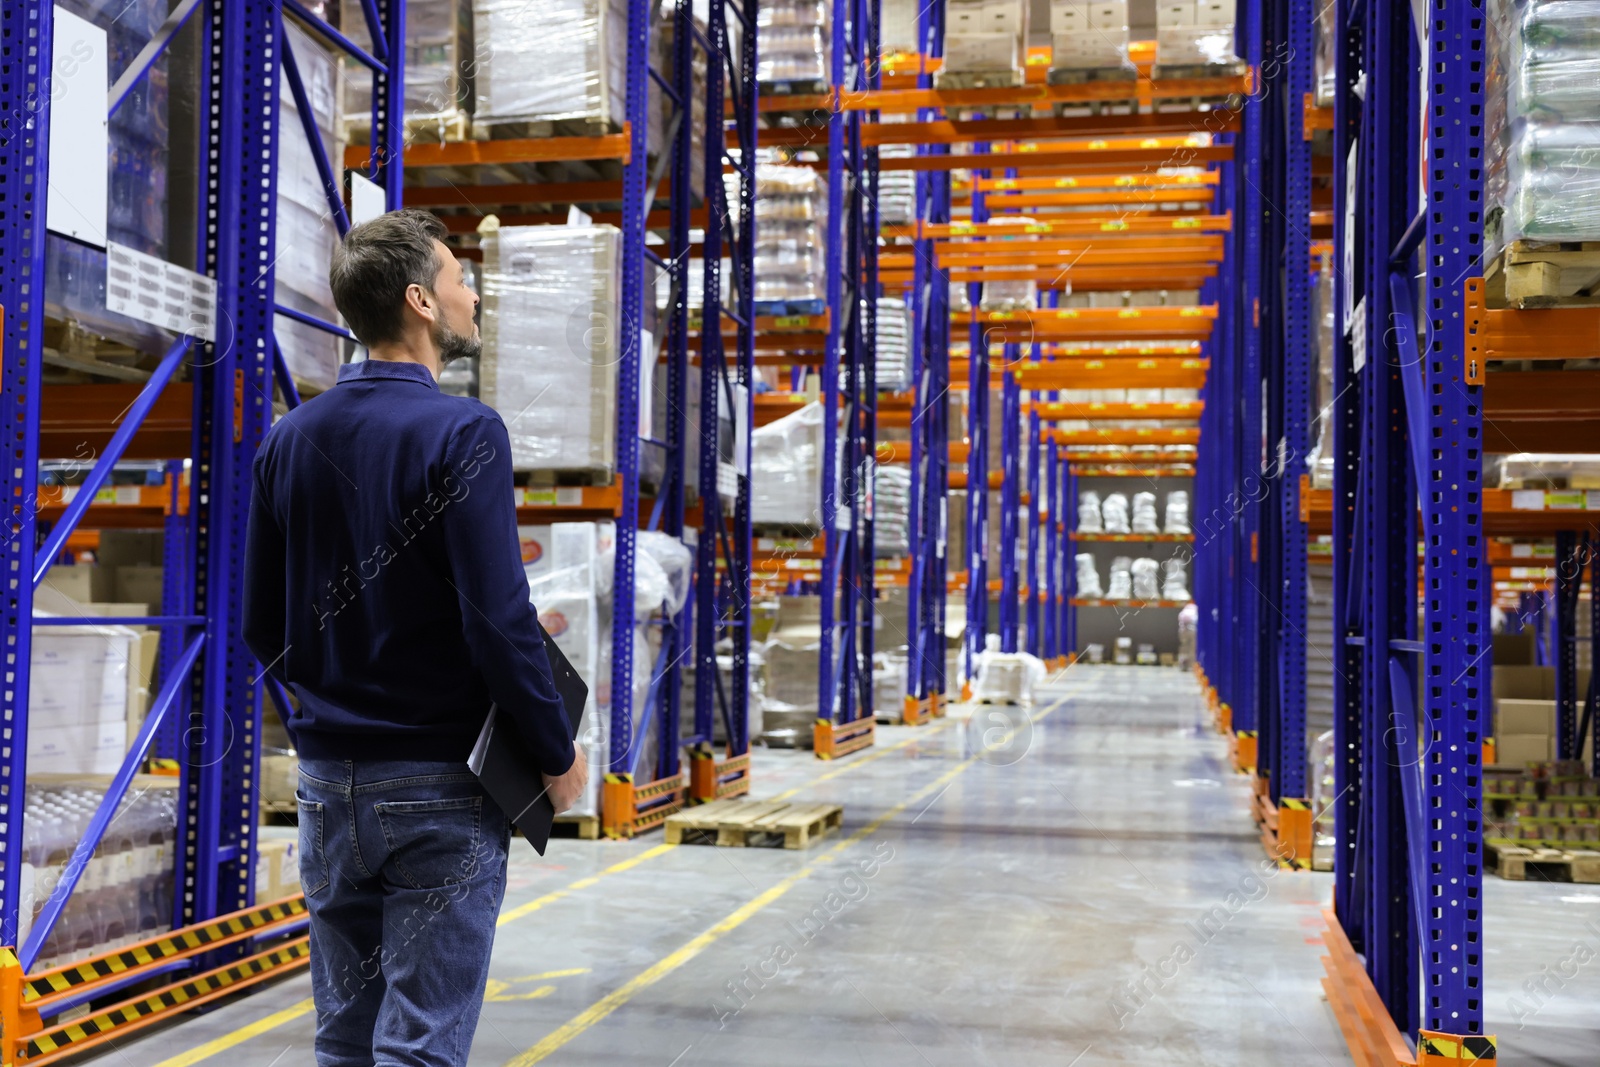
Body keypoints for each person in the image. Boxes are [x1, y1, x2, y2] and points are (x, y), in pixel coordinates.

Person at [243, 208, 588, 1067]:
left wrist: (333, 705)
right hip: (440, 786)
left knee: (345, 1040)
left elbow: (260, 624)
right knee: (422, 1045)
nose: (472, 294)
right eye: (459, 278)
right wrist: (552, 749)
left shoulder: (289, 439)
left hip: (326, 790)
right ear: (420, 302)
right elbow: (499, 620)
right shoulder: (464, 432)